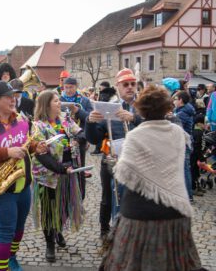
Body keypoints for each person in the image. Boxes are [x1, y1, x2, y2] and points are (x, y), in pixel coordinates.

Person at [100, 85, 203, 271]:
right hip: (175, 209)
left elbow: (124, 173)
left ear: (140, 109)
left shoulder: (135, 135)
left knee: (132, 263)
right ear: (167, 108)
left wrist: (114, 163)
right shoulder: (178, 133)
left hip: (138, 213)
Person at [0, 80, 47, 271]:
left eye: (15, 96)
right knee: (5, 232)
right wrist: (7, 152)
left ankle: (11, 258)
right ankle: (1, 268)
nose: (14, 99)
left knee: (19, 230)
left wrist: (36, 147)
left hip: (23, 185)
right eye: (8, 96)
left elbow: (26, 146)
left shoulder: (22, 120)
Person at [86, 68, 142, 241]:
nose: (130, 87)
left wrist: (134, 118)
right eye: (126, 84)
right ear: (118, 86)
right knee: (107, 197)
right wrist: (90, 122)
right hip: (112, 160)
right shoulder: (109, 106)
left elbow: (156, 124)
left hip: (138, 161)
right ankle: (105, 230)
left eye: (133, 84)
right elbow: (94, 139)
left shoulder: (144, 106)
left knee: (137, 198)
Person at [32, 90, 84, 262]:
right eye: (55, 101)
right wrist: (61, 169)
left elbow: (81, 133)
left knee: (66, 205)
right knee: (48, 210)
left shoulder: (66, 120)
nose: (59, 103)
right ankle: (50, 245)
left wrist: (79, 139)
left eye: (58, 100)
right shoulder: (38, 126)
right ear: (46, 105)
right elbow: (41, 155)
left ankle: (58, 229)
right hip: (48, 176)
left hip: (69, 171)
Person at [60, 77, 93, 197]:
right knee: (65, 167)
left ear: (76, 86)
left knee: (80, 168)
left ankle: (80, 197)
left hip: (81, 138)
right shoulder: (59, 99)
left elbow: (90, 118)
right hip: (64, 139)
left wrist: (77, 110)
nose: (68, 90)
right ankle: (66, 197)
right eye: (66, 87)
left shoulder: (84, 101)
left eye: (71, 87)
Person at [174, 91, 195, 202]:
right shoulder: (184, 110)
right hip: (185, 142)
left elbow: (176, 128)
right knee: (184, 169)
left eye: (176, 99)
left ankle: (188, 195)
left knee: (185, 169)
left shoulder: (182, 113)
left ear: (181, 100)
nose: (174, 101)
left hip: (184, 143)